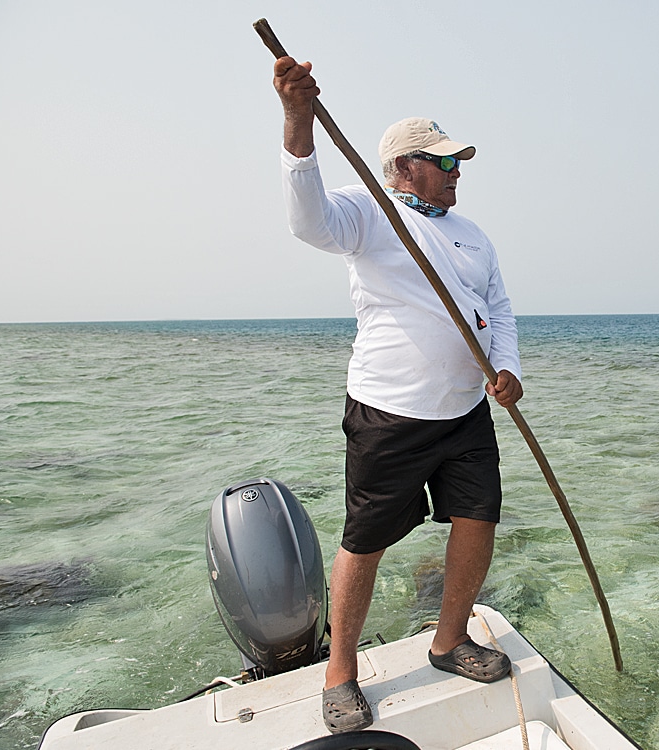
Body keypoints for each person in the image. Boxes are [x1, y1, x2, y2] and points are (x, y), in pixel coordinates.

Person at [272, 56, 523, 734]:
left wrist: (507, 369)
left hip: (466, 410)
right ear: (405, 166)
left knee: (479, 520)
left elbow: (497, 309)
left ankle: (447, 642)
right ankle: (341, 672)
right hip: (390, 413)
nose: (457, 172)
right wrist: (298, 121)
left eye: (458, 161)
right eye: (445, 162)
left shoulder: (474, 235)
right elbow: (308, 221)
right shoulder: (369, 214)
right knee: (367, 540)